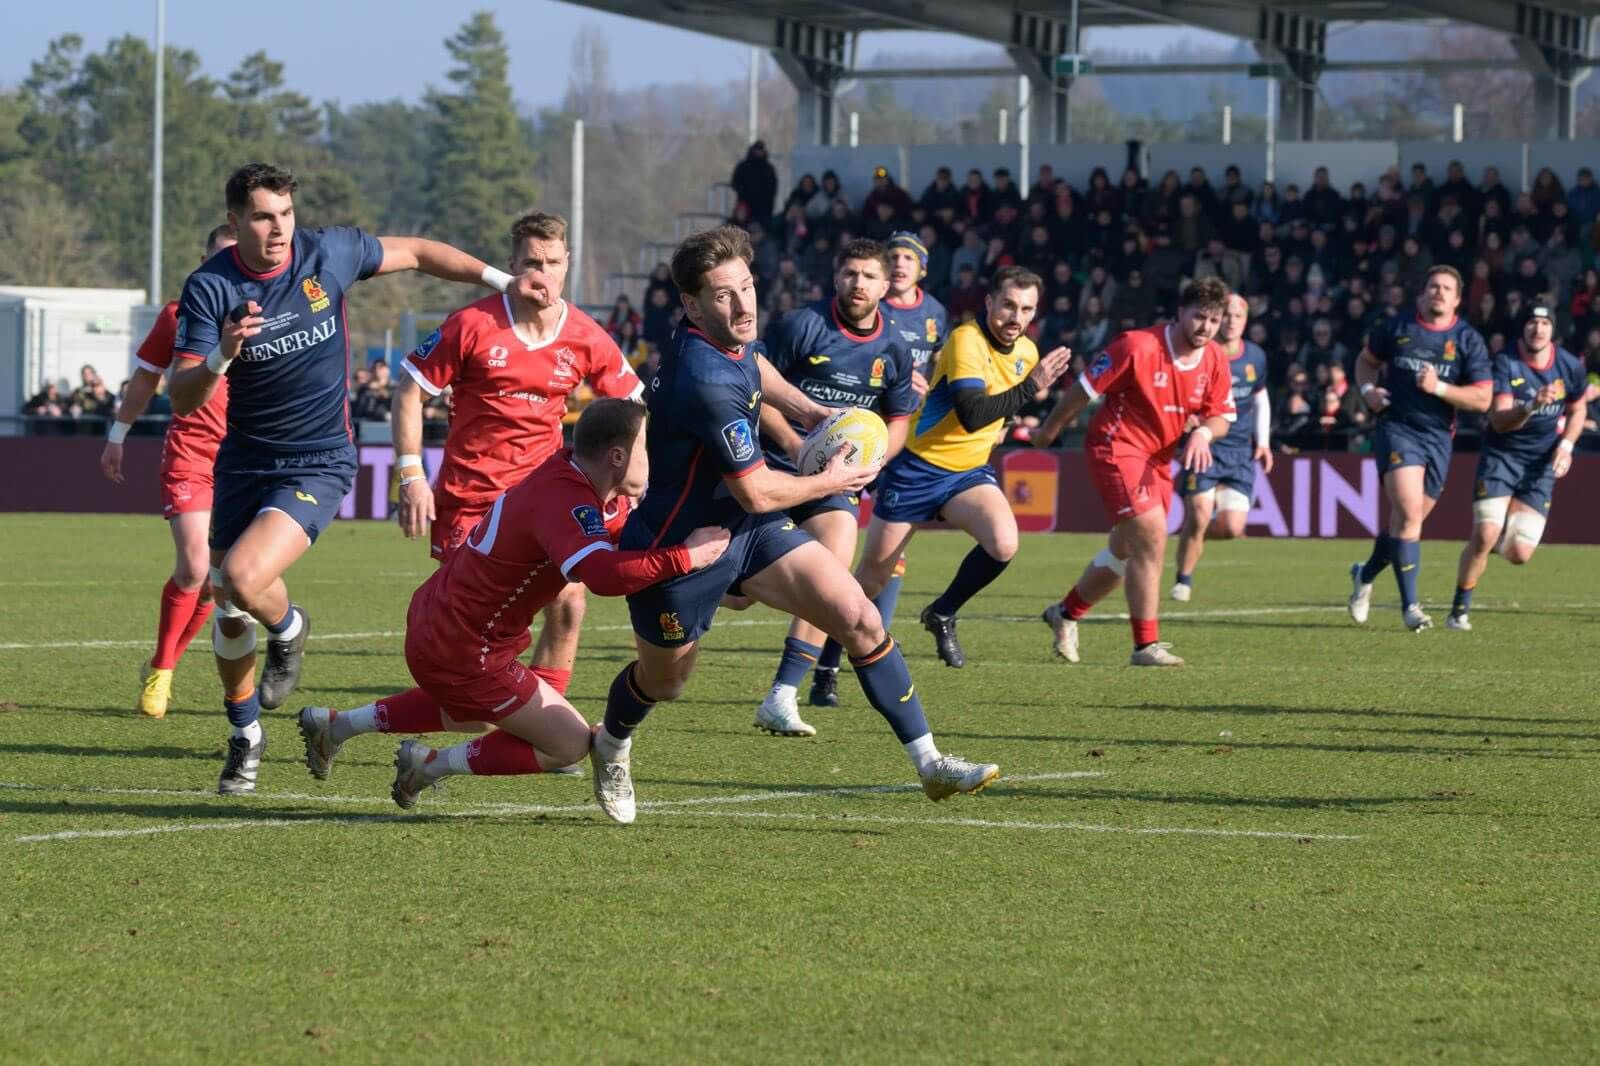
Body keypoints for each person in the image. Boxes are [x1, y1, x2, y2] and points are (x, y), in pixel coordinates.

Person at [588, 226, 1000, 816]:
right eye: (724, 294)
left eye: (748, 287)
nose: (744, 303)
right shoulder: (704, 381)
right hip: (681, 549)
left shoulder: (730, 344)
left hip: (747, 533)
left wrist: (813, 411)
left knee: (857, 614)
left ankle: (931, 763)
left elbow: (757, 367)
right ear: (690, 304)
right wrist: (834, 480)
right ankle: (611, 742)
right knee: (665, 684)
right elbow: (756, 490)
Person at [167, 161, 548, 796]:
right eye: (264, 217)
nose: (280, 228)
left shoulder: (330, 252)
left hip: (318, 459)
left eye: (286, 214)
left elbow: (421, 252)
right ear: (235, 223)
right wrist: (221, 353)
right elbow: (182, 396)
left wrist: (504, 280)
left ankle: (289, 628)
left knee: (237, 577)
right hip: (244, 464)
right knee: (229, 606)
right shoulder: (210, 289)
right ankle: (245, 736)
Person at [296, 401, 729, 820]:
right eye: (645, 449)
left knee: (476, 716)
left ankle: (337, 726)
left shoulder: (587, 482)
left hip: (446, 625)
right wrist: (687, 558)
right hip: (463, 645)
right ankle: (427, 765)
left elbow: (622, 543)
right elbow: (602, 576)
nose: (652, 460)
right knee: (569, 744)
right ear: (617, 456)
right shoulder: (565, 499)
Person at [391, 212, 642, 700]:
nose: (542, 273)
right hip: (472, 499)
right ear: (512, 264)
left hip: (544, 501)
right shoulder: (471, 325)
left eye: (552, 262)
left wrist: (632, 476)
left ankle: (548, 721)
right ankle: (402, 717)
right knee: (470, 632)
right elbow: (408, 394)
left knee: (569, 602)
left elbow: (634, 406)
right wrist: (411, 476)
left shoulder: (586, 336)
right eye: (531, 261)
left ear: (568, 263)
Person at [854, 267, 1072, 668]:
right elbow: (972, 413)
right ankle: (826, 670)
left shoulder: (1027, 353)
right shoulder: (965, 339)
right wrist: (1030, 388)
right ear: (989, 303)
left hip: (967, 473)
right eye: (1007, 304)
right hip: (916, 467)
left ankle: (941, 612)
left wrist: (1007, 422)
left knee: (1004, 543)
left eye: (1026, 309)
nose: (1015, 317)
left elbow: (996, 410)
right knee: (871, 578)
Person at [750, 239, 918, 736]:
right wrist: (797, 445)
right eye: (849, 274)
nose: (858, 284)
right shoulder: (800, 325)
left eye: (868, 276)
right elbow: (754, 388)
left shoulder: (895, 348)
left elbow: (900, 420)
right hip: (769, 465)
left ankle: (782, 694)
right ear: (836, 278)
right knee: (736, 593)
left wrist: (870, 463)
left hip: (836, 481)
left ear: (886, 286)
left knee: (833, 563)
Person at [1034, 277, 1237, 667]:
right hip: (1117, 447)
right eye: (1199, 317)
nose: (1206, 328)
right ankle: (1145, 646)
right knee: (1152, 535)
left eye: (1214, 320)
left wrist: (1204, 435)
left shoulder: (1213, 358)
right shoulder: (1137, 345)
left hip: (1158, 460)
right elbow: (1083, 390)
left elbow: (1221, 415)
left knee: (1125, 550)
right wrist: (1048, 431)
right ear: (1180, 313)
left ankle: (1066, 613)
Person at [804, 231, 951, 709]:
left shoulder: (935, 315)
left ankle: (868, 639)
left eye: (909, 258)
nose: (900, 264)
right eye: (895, 257)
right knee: (845, 560)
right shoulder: (870, 316)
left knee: (889, 555)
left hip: (896, 439)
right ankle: (831, 659)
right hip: (853, 432)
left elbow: (938, 370)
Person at [101, 223, 238, 718]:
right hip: (192, 453)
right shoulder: (179, 316)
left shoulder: (267, 323)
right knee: (195, 566)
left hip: (243, 462)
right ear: (204, 264)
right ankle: (161, 672)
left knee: (215, 581)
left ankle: (166, 665)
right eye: (218, 260)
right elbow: (145, 377)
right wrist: (117, 435)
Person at [1346, 265, 1491, 632]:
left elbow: (1483, 398)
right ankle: (1411, 607)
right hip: (1397, 428)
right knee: (1409, 513)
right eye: (1432, 286)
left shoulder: (1467, 340)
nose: (1438, 292)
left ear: (1457, 299)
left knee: (1405, 523)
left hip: (1439, 438)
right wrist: (1368, 392)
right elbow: (1365, 363)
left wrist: (1439, 388)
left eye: (1446, 288)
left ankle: (1364, 574)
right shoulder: (1396, 328)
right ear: (1422, 294)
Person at [1447, 307, 1587, 630]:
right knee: (1483, 533)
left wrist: (1566, 445)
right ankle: (1458, 611)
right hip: (1502, 457)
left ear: (1553, 330)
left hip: (1540, 465)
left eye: (1544, 323)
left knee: (1520, 553)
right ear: (1522, 328)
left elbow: (1578, 409)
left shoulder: (1568, 366)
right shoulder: (1505, 362)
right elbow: (1498, 420)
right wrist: (1532, 405)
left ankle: (1491, 539)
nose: (1538, 329)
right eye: (1532, 322)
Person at [1170, 293, 1271, 602]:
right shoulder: (1202, 353)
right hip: (1205, 446)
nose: (1230, 321)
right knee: (1200, 513)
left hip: (1239, 451)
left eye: (1237, 316)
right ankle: (1183, 581)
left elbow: (1260, 398)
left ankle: (1192, 534)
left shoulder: (1255, 356)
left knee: (1230, 527)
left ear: (1245, 321)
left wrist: (1264, 442)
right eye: (1225, 315)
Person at [730, 141, 778, 226]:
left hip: (764, 206)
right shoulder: (743, 166)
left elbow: (773, 187)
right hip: (745, 203)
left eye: (760, 150)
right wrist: (744, 193)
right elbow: (735, 183)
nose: (758, 153)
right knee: (740, 225)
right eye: (757, 150)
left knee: (762, 228)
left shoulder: (768, 169)